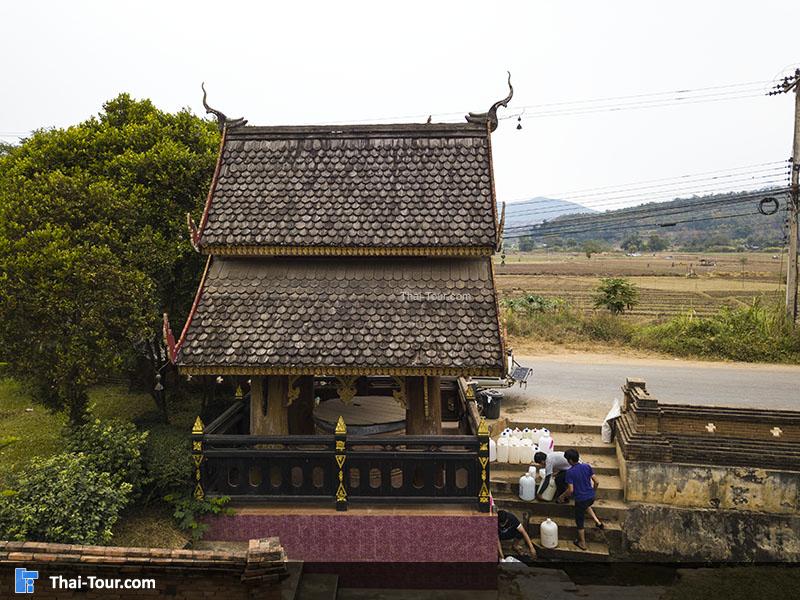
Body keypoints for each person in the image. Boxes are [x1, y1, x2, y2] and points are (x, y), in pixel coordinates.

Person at [557, 448, 604, 551]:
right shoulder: (587, 466)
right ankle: (597, 521)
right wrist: (593, 491)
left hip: (580, 499)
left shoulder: (570, 472)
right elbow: (596, 481)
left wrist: (562, 496)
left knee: (579, 521)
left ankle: (582, 543)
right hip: (591, 497)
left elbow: (570, 490)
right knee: (587, 505)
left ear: (569, 460)